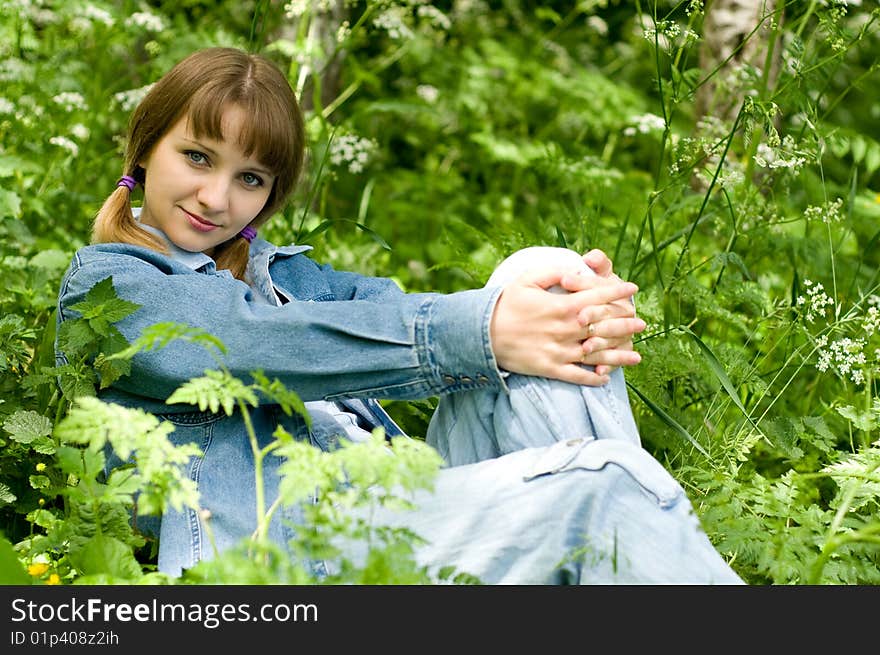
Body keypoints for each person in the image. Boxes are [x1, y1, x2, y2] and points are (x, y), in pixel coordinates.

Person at [55, 47, 742, 584]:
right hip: (303, 555)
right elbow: (246, 342)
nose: (216, 197)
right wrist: (485, 331)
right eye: (197, 156)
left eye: (250, 178)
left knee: (537, 271)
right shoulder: (110, 284)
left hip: (392, 510)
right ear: (145, 147)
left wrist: (537, 301)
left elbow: (402, 313)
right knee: (607, 485)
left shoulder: (287, 277)